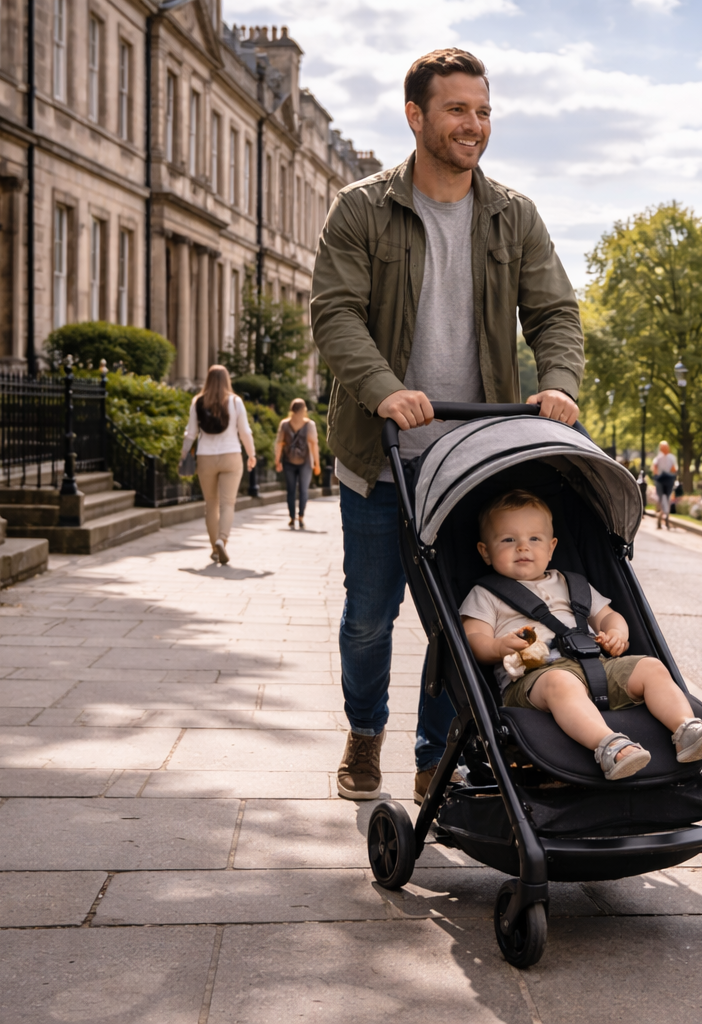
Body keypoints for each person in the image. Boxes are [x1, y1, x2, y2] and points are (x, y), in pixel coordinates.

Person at [310, 48, 585, 804]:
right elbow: (334, 312)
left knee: (455, 624)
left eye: (484, 111)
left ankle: (437, 756)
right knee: (370, 617)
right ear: (417, 116)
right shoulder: (363, 207)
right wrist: (383, 389)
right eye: (459, 109)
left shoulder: (513, 215)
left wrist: (558, 383)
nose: (475, 125)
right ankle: (365, 733)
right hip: (382, 454)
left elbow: (555, 313)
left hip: (473, 460)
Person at [460, 490, 702, 780]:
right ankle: (609, 746)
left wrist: (616, 633)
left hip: (597, 666)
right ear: (485, 551)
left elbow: (608, 616)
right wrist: (499, 646)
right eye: (508, 540)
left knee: (651, 667)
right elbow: (473, 639)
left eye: (534, 539)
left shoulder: (573, 584)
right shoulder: (485, 594)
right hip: (534, 679)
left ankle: (686, 728)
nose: (523, 548)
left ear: (552, 548)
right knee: (561, 682)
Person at [181, 365, 256, 565]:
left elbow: (190, 433)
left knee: (211, 504)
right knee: (228, 503)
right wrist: (251, 454)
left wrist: (183, 454)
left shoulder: (198, 401)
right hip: (231, 455)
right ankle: (222, 539)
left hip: (206, 457)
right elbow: (245, 431)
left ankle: (214, 547)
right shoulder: (235, 401)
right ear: (226, 380)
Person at [273, 398, 321, 529]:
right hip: (305, 461)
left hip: (288, 461)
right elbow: (314, 445)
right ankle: (301, 517)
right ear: (304, 410)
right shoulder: (309, 425)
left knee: (291, 490)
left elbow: (279, 443)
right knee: (303, 490)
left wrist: (277, 460)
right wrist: (317, 464)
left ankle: (292, 517)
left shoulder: (284, 424)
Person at [652, 441, 678, 529]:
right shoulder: (661, 458)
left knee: (664, 500)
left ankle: (662, 518)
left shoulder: (661, 458)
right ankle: (664, 519)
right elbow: (674, 470)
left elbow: (655, 470)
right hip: (664, 481)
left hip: (662, 481)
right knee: (665, 500)